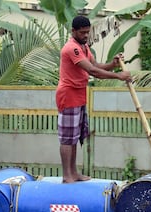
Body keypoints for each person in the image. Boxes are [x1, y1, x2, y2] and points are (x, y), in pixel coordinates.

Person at [56, 15, 132, 183]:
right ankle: (67, 175)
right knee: (67, 138)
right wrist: (119, 76)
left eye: (87, 33)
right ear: (73, 31)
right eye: (82, 33)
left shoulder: (84, 47)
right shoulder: (72, 48)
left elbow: (96, 65)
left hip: (79, 95)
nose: (85, 36)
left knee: (75, 137)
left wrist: (112, 65)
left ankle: (74, 173)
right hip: (68, 95)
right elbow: (93, 71)